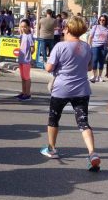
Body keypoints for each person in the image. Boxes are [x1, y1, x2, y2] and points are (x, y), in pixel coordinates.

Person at [41, 15, 101, 171]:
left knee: (54, 119)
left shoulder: (60, 46)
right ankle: (92, 152)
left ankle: (52, 148)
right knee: (83, 122)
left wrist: (48, 64)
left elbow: (49, 68)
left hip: (61, 88)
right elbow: (89, 67)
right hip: (81, 89)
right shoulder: (86, 47)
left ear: (67, 29)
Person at [87, 14, 108, 82]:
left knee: (101, 61)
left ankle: (99, 76)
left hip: (104, 46)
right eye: (100, 20)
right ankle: (94, 76)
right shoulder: (95, 27)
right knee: (94, 60)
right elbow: (90, 37)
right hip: (95, 46)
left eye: (103, 20)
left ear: (106, 21)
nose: (101, 21)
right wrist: (89, 45)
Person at [16, 19, 34, 101]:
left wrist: (29, 55)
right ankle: (23, 92)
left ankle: (28, 94)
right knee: (23, 77)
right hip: (21, 59)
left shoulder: (29, 36)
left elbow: (32, 48)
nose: (23, 28)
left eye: (25, 27)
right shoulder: (22, 35)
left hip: (26, 60)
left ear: (28, 27)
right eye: (22, 27)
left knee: (26, 78)